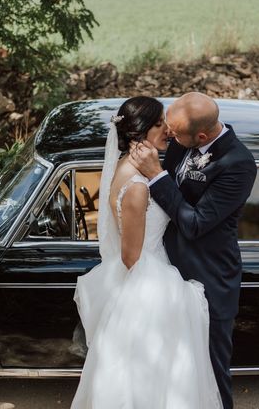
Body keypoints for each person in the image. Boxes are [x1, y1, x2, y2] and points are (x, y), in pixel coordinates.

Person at [71, 96, 222, 409]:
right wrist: (172, 289)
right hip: (147, 287)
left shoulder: (127, 168)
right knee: (156, 378)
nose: (166, 129)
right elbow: (131, 257)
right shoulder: (137, 186)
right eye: (158, 124)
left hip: (145, 277)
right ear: (139, 133)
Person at [129, 92, 257, 409]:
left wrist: (155, 175)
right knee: (173, 369)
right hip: (165, 271)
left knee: (211, 371)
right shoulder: (181, 139)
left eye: (175, 132)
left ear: (201, 136)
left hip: (209, 277)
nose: (169, 135)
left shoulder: (238, 163)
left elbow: (196, 223)